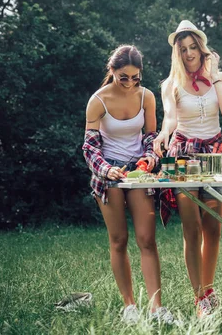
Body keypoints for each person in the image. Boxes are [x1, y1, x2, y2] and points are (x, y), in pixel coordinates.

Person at [82, 45, 174, 324]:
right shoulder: (98, 100)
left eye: (136, 77)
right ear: (112, 71)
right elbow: (89, 147)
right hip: (108, 172)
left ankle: (157, 308)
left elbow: (150, 137)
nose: (131, 83)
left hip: (137, 172)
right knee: (119, 240)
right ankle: (129, 306)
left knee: (147, 239)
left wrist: (148, 159)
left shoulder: (146, 97)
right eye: (124, 77)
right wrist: (107, 170)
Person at [152, 20, 222, 318]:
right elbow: (171, 119)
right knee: (192, 229)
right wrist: (163, 135)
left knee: (213, 227)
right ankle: (199, 298)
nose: (188, 54)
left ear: (202, 49)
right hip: (183, 154)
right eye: (182, 49)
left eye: (193, 48)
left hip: (214, 152)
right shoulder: (169, 84)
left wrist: (214, 77)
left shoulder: (220, 77)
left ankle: (208, 290)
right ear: (177, 53)